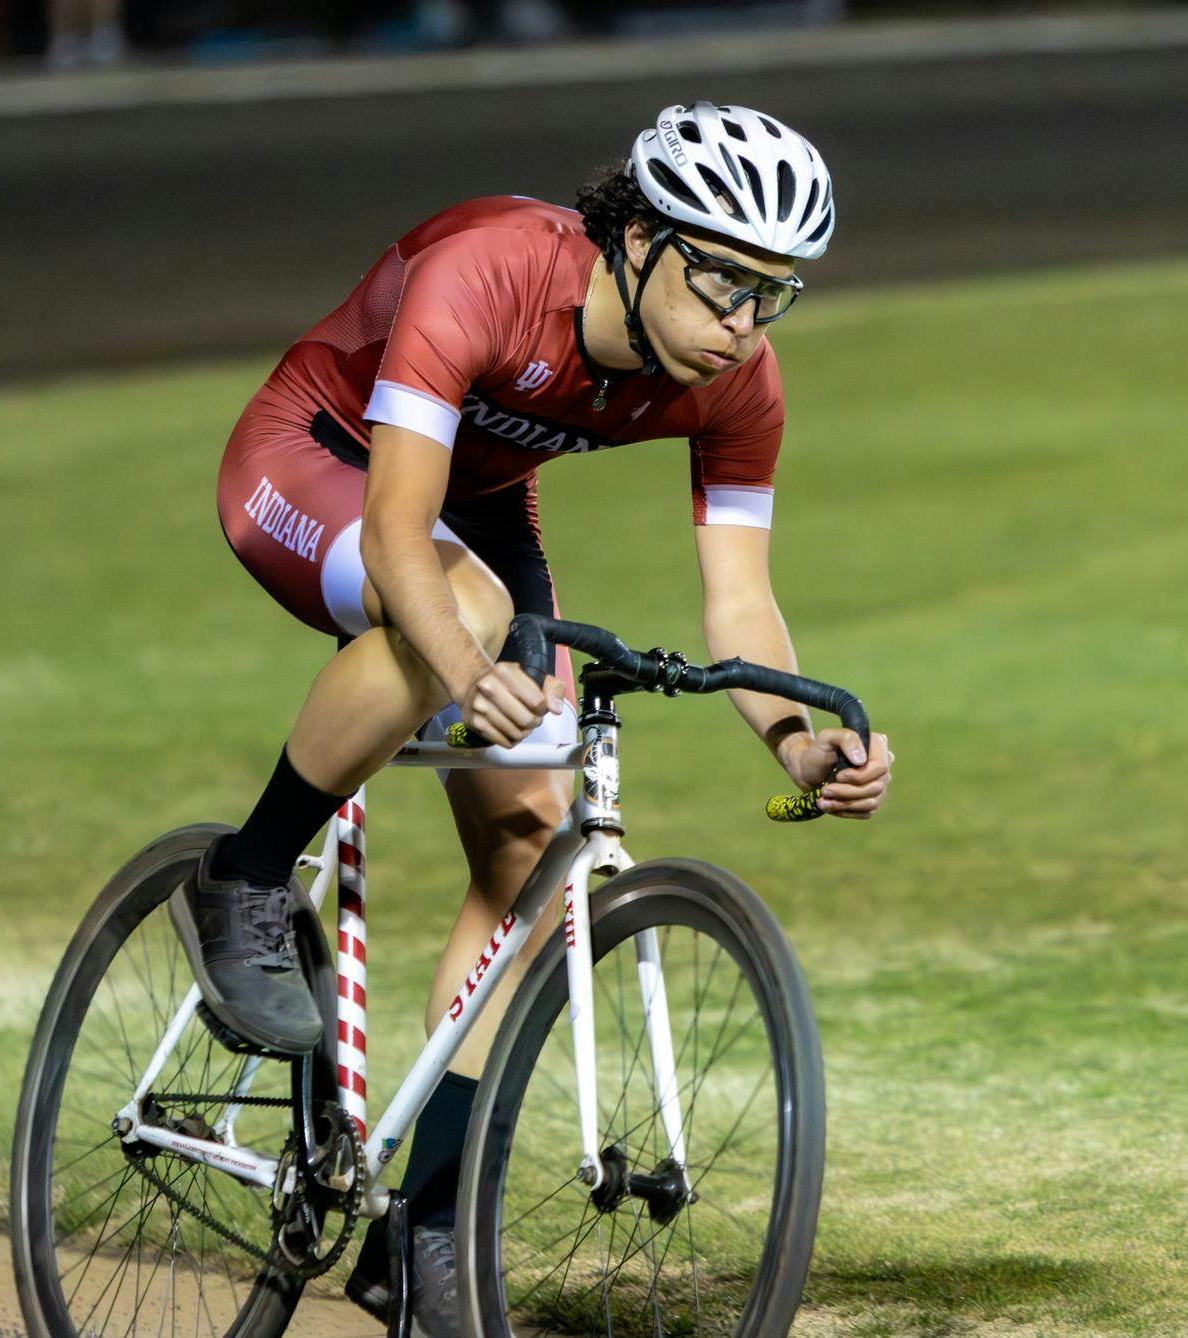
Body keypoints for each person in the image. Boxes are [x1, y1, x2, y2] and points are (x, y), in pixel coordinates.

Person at [171, 100, 895, 1332]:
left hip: (482, 503)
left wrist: (793, 736)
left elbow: (740, 602)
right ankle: (242, 875)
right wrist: (460, 663)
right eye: (721, 280)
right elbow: (401, 532)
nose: (740, 324)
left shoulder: (737, 381)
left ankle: (430, 1220)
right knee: (451, 609)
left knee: (529, 837)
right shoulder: (491, 271)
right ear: (638, 238)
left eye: (774, 294)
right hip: (317, 453)